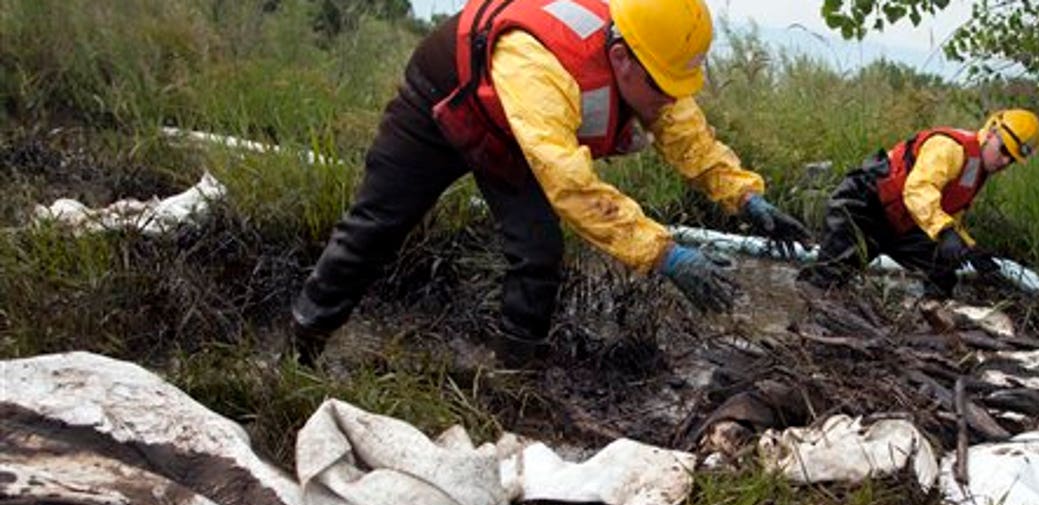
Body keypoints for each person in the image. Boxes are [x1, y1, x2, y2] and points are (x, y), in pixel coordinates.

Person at [288, 0, 805, 366]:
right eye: (663, 88)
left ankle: (515, 380)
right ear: (621, 58)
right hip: (440, 106)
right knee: (377, 225)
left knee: (538, 251)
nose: (670, 100)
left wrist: (746, 196)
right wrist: (663, 254)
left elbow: (685, 133)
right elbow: (572, 186)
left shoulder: (646, 58)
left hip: (514, 137)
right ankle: (303, 343)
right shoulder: (539, 65)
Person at [806, 109, 1039, 298]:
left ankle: (932, 325)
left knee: (943, 268)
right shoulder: (950, 147)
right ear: (991, 132)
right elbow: (918, 189)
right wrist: (946, 231)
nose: (1004, 161)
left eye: (1011, 159)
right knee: (829, 276)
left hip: (902, 222)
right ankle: (801, 319)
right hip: (865, 204)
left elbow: (949, 213)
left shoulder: (977, 170)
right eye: (1003, 150)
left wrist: (970, 248)